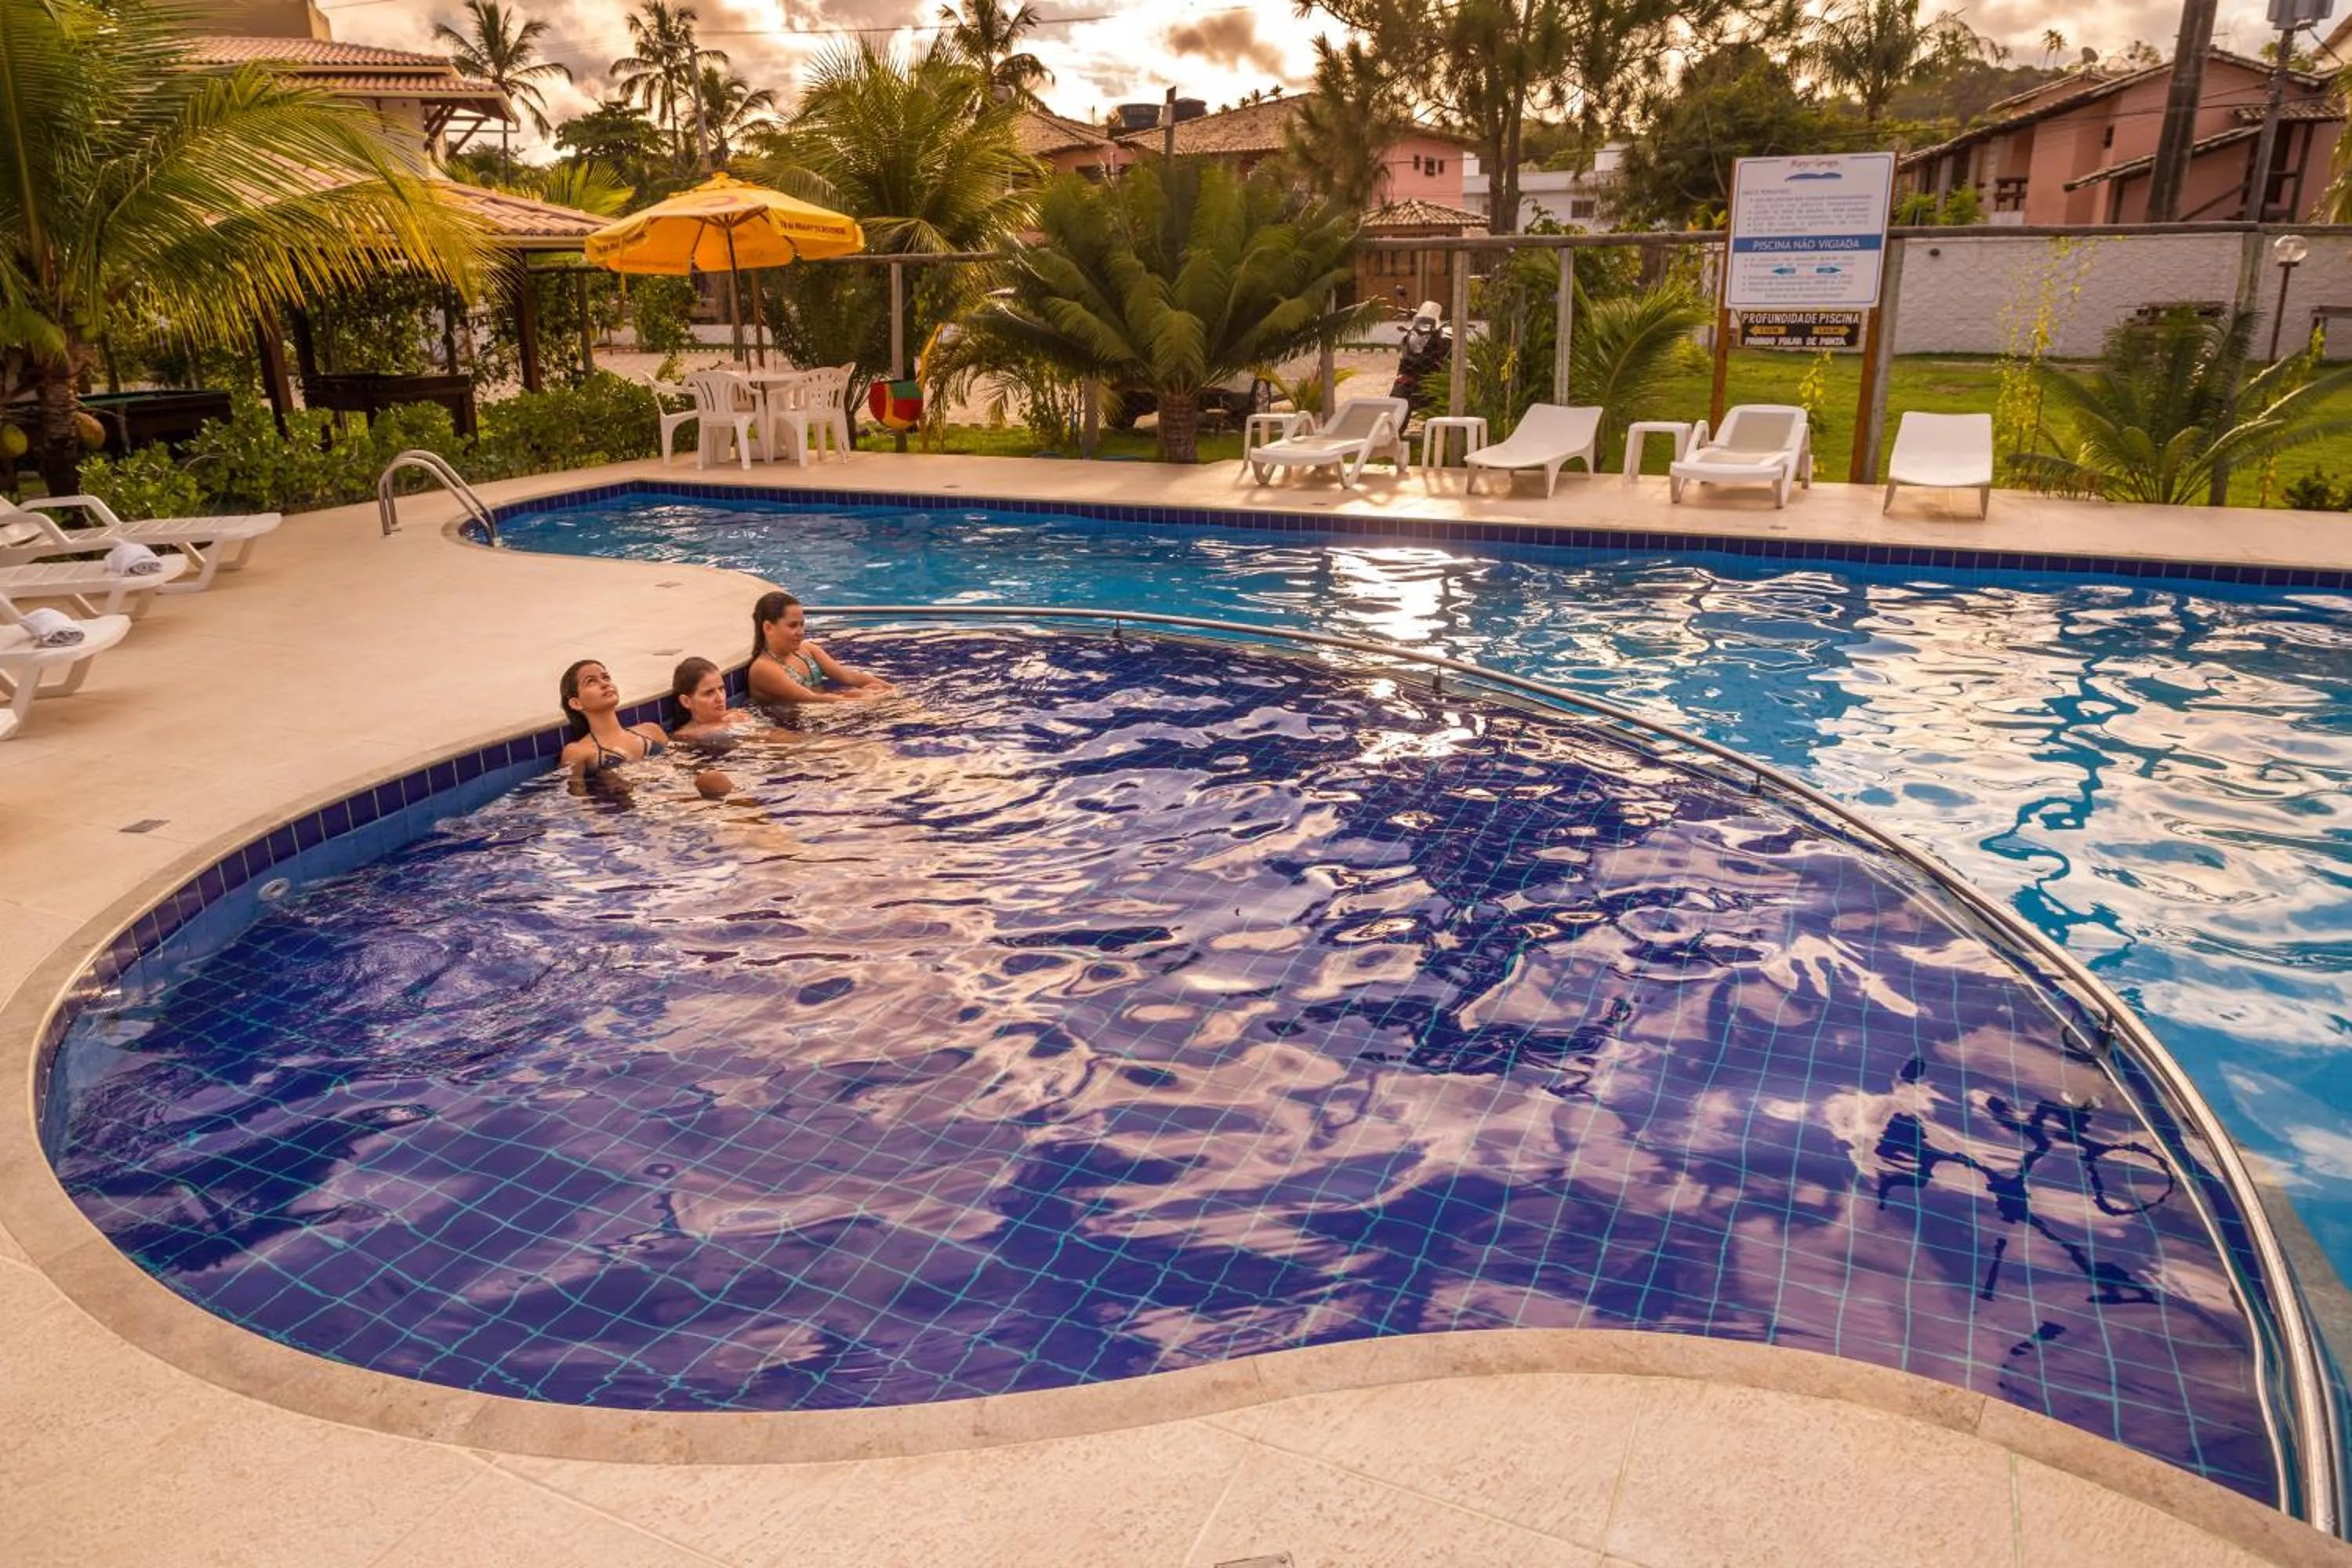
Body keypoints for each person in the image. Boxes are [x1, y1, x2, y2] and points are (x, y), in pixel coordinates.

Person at [746, 590, 893, 706]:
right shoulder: (764, 668)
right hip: (792, 728)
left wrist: (889, 689)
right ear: (768, 627)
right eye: (792, 625)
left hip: (823, 712)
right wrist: (862, 702)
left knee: (876, 691)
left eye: (801, 625)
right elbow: (811, 699)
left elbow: (847, 675)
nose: (800, 632)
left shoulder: (808, 651)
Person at [558, 659, 668, 771]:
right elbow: (575, 789)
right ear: (576, 703)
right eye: (591, 681)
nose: (605, 684)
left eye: (606, 678)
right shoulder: (578, 752)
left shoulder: (651, 730)